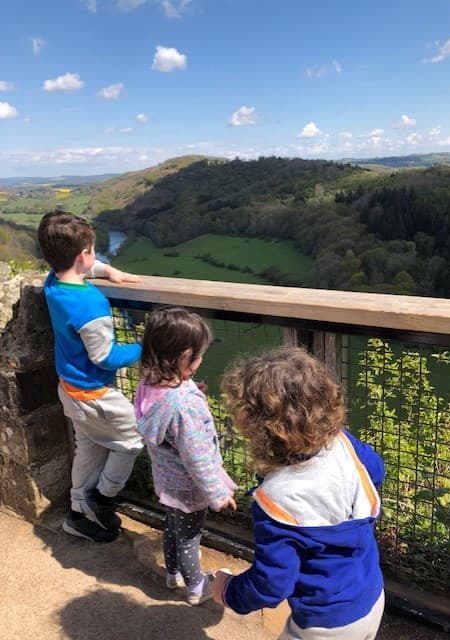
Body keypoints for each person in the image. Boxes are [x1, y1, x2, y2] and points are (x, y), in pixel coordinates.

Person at [214, 346, 385, 640]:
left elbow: (272, 583)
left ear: (256, 427)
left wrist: (230, 591)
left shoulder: (276, 500)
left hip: (325, 622)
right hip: (371, 594)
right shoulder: (343, 444)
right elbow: (376, 471)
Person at [37, 210, 144, 543]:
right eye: (94, 252)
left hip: (69, 390)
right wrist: (145, 345)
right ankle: (104, 498)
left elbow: (76, 267)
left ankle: (78, 513)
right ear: (83, 255)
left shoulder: (53, 283)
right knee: (132, 441)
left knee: (89, 449)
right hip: (96, 394)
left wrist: (108, 270)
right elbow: (106, 357)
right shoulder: (90, 305)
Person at [134, 307, 237, 605]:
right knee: (189, 538)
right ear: (184, 358)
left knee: (172, 526)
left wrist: (193, 389)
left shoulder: (149, 384)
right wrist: (217, 494)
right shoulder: (184, 406)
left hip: (166, 479)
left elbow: (166, 415)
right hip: (190, 487)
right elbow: (198, 458)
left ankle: (173, 574)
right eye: (200, 354)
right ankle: (196, 588)